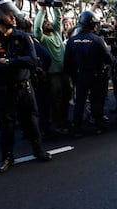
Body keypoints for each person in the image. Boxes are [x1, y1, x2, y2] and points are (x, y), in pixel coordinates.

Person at [0, 0, 52, 173]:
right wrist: (19, 62)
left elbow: (33, 61)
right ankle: (7, 156)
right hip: (3, 91)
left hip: (24, 87)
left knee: (32, 121)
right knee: (6, 125)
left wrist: (9, 61)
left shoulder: (22, 36)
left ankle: (38, 150)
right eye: (7, 12)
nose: (13, 16)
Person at [64, 10, 113, 136]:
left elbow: (67, 63)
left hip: (80, 76)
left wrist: (73, 77)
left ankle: (77, 128)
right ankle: (99, 125)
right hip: (95, 76)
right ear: (92, 25)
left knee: (79, 102)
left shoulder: (71, 40)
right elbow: (108, 59)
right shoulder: (97, 40)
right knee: (95, 101)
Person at [34, 1, 71, 135]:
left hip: (64, 73)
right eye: (46, 23)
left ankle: (65, 121)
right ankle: (58, 125)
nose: (48, 23)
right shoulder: (42, 38)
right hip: (53, 75)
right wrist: (42, 10)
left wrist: (55, 7)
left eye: (49, 22)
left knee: (67, 96)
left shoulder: (56, 34)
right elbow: (36, 28)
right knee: (56, 101)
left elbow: (58, 19)